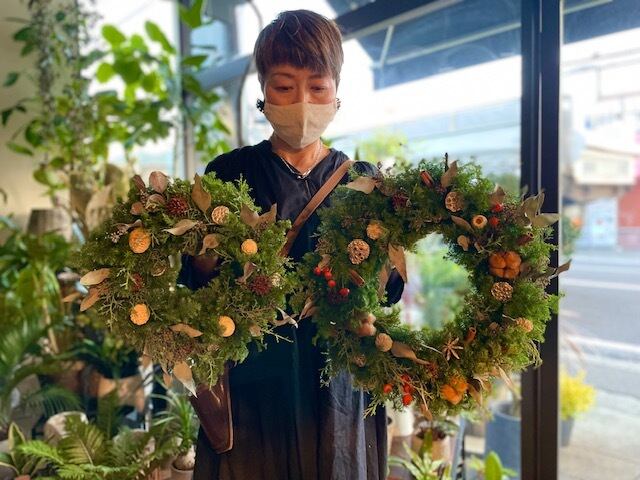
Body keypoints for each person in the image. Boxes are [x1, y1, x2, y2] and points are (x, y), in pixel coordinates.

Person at [177, 10, 404, 480]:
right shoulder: (228, 174)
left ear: (336, 93)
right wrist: (204, 258)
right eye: (284, 86)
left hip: (338, 382)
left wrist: (379, 267)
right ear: (263, 92)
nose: (302, 101)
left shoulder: (364, 182)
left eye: (317, 87)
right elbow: (197, 281)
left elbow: (389, 292)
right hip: (252, 379)